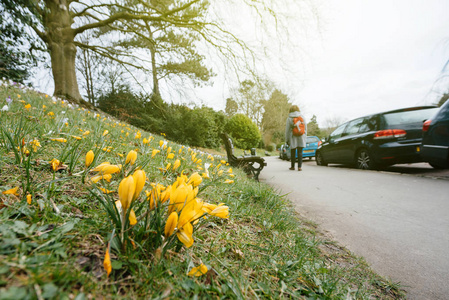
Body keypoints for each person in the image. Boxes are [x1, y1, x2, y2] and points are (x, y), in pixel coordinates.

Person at [285, 105, 307, 171]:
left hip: (293, 136)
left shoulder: (289, 118)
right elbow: (305, 128)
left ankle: (292, 166)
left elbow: (287, 130)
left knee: (293, 152)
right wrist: (305, 136)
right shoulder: (302, 117)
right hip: (301, 135)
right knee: (300, 152)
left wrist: (287, 139)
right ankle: (299, 167)